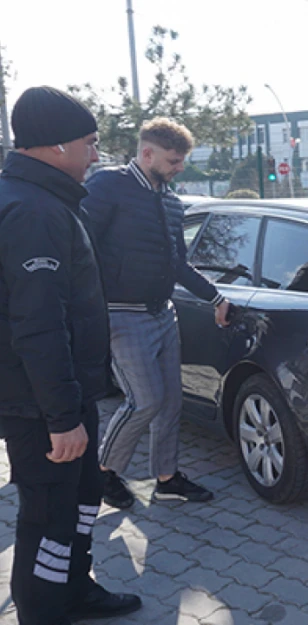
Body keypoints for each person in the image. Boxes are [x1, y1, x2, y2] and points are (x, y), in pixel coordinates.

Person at [0, 86, 142, 624]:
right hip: (43, 410)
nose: (97, 153)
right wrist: (62, 418)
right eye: (90, 141)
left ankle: (75, 592)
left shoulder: (44, 201)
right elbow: (37, 327)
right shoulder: (31, 212)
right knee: (48, 517)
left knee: (79, 501)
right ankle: (44, 612)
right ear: (57, 147)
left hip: (66, 398)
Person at [83, 118, 229, 509]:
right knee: (143, 400)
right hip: (121, 315)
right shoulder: (107, 186)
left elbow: (178, 263)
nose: (180, 167)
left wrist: (216, 298)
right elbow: (80, 246)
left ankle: (166, 479)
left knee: (170, 403)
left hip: (164, 314)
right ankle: (103, 474)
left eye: (181, 160)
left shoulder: (170, 201)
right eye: (174, 160)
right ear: (147, 153)